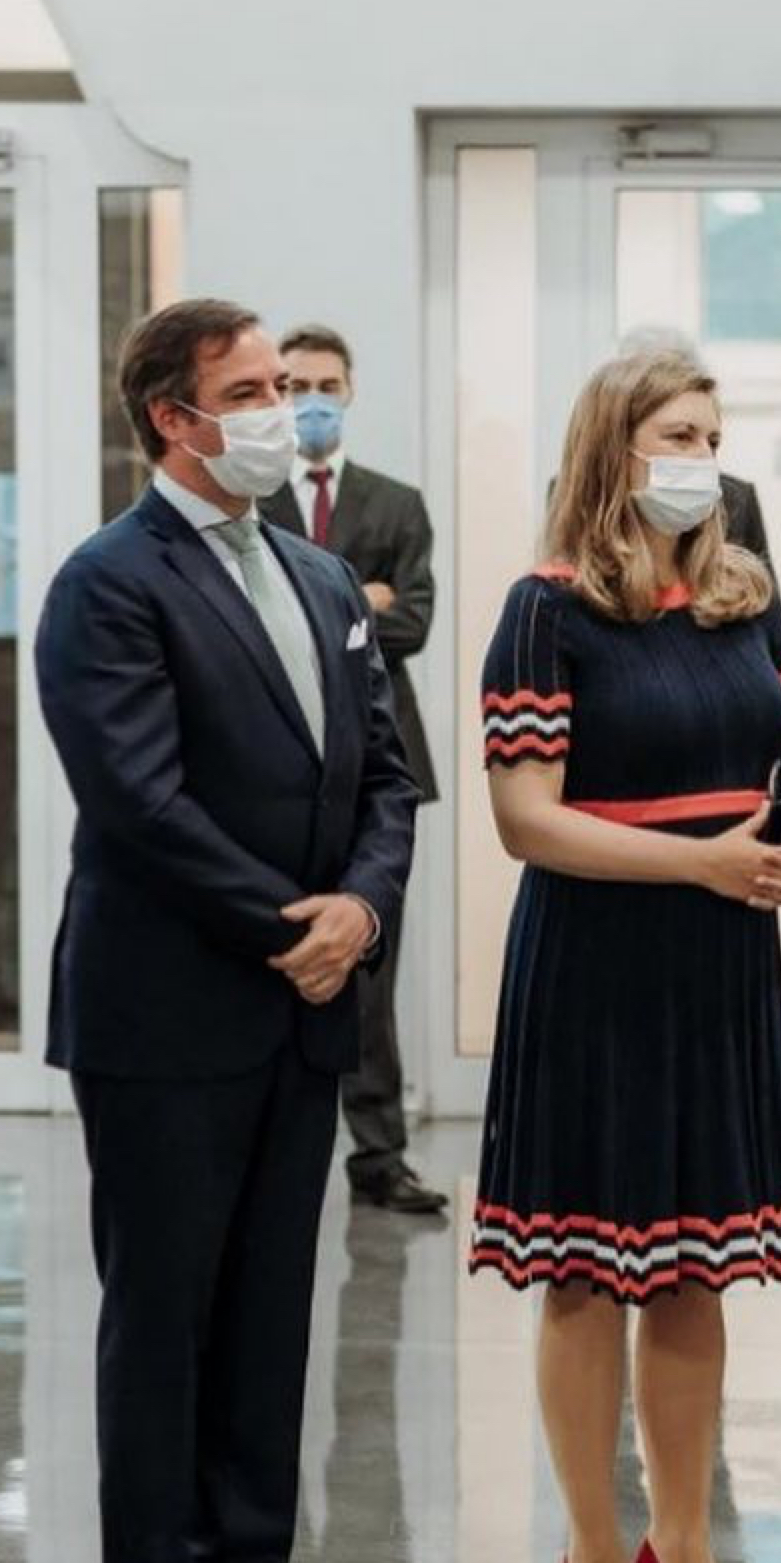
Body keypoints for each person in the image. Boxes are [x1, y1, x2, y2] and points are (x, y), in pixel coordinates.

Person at [37, 297, 418, 1563]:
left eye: (284, 387)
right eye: (249, 390)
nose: (282, 411)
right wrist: (291, 929)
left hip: (303, 1006)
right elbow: (140, 804)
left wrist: (360, 910)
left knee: (268, 1313)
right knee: (166, 1315)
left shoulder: (317, 577)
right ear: (172, 417)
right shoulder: (108, 583)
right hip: (168, 1012)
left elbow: (387, 773)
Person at [472, 346, 781, 1563]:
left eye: (711, 435)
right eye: (677, 434)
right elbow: (527, 820)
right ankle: (593, 1557)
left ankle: (683, 1546)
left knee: (694, 1266)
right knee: (588, 1271)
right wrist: (701, 862)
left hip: (722, 957)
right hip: (599, 958)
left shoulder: (744, 595)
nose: (701, 457)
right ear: (612, 449)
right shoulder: (546, 610)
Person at [262, 323, 445, 1214]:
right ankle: (273, 1143)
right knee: (281, 950)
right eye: (294, 386)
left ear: (351, 389)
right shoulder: (253, 501)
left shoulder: (396, 504)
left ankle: (379, 1156)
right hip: (278, 762)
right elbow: (259, 621)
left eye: (325, 385)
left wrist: (334, 604)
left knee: (371, 965)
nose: (311, 402)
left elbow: (412, 622)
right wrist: (357, 595)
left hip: (380, 759)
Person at [613, 326, 777, 571]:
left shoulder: (736, 500)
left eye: (713, 442)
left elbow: (761, 589)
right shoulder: (575, 498)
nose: (704, 456)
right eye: (680, 436)